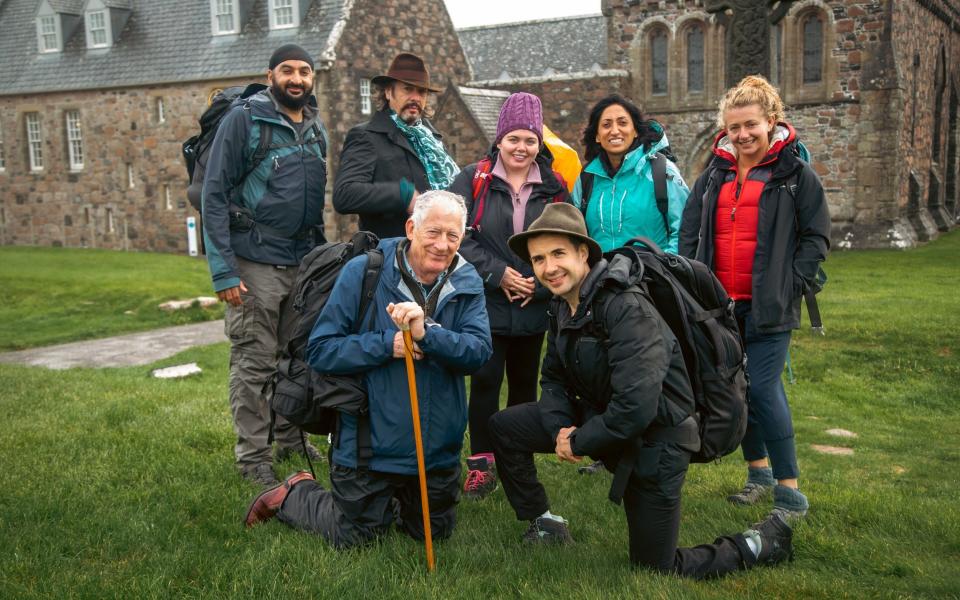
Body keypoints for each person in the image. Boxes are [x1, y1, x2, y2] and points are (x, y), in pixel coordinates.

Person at [488, 202, 794, 578]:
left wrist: (579, 441)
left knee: (656, 568)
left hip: (659, 439)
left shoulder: (625, 305)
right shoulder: (562, 305)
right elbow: (552, 378)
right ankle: (545, 523)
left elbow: (636, 406)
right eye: (538, 259)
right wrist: (559, 430)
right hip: (606, 418)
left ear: (583, 253)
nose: (549, 267)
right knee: (505, 427)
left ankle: (759, 543)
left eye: (558, 254)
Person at [243, 191, 493, 549]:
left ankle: (391, 501)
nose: (442, 244)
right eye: (433, 232)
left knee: (432, 536)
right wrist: (386, 344)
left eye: (453, 235)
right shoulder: (365, 271)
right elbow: (322, 349)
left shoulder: (468, 282)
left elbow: (479, 353)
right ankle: (294, 493)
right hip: (369, 447)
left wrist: (427, 335)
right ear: (411, 228)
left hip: (435, 450)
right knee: (356, 537)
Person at [679, 75, 830, 523]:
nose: (742, 135)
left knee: (763, 387)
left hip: (770, 304)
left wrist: (793, 283)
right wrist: (689, 276)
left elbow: (816, 237)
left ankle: (790, 490)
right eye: (733, 128)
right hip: (720, 306)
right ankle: (758, 474)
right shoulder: (714, 174)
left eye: (750, 126)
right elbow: (690, 230)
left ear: (771, 123)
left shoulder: (795, 175)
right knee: (737, 390)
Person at [202, 44, 329, 486]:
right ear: (271, 74)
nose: (297, 79)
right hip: (253, 259)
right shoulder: (246, 119)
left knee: (294, 360)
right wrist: (223, 270)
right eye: (288, 71)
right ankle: (253, 458)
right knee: (255, 362)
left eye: (305, 71)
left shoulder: (315, 126)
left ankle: (290, 439)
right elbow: (213, 194)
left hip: (302, 260)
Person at [447, 92, 568, 500]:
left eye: (530, 140)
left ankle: (518, 458)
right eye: (514, 138)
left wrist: (536, 279)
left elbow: (566, 238)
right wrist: (499, 275)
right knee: (484, 382)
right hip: (486, 301)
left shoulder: (554, 186)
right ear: (499, 139)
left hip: (534, 301)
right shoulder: (473, 180)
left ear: (539, 144)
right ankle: (481, 465)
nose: (522, 147)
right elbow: (458, 236)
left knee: (523, 386)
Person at [333, 53, 460, 240]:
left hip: (440, 252)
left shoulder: (432, 139)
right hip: (392, 257)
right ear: (388, 92)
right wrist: (403, 195)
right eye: (408, 89)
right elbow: (345, 195)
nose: (415, 98)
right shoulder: (366, 136)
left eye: (422, 92)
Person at [571, 94, 688, 254]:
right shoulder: (586, 178)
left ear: (635, 131)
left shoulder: (661, 170)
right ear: (597, 136)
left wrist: (666, 270)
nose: (614, 131)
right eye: (606, 125)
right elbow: (574, 235)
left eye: (623, 123)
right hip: (601, 277)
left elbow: (684, 229)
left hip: (653, 276)